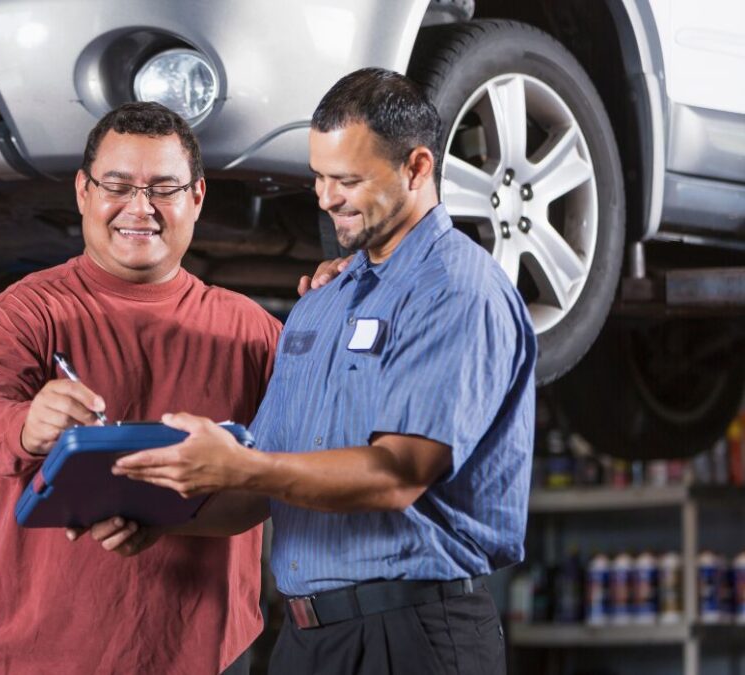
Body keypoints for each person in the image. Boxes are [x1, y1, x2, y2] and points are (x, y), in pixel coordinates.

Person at [104, 68, 537, 675]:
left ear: (416, 169)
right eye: (319, 177)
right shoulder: (322, 302)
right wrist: (163, 516)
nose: (326, 197)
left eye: (348, 179)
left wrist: (240, 463)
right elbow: (265, 488)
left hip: (413, 635)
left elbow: (397, 474)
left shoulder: (456, 291)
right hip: (307, 638)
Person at [0, 101, 282, 674]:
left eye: (163, 189)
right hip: (41, 656)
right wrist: (25, 424)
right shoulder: (27, 312)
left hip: (204, 657)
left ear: (197, 197)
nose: (139, 208)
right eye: (117, 186)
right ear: (83, 192)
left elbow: (301, 461)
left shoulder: (251, 332)